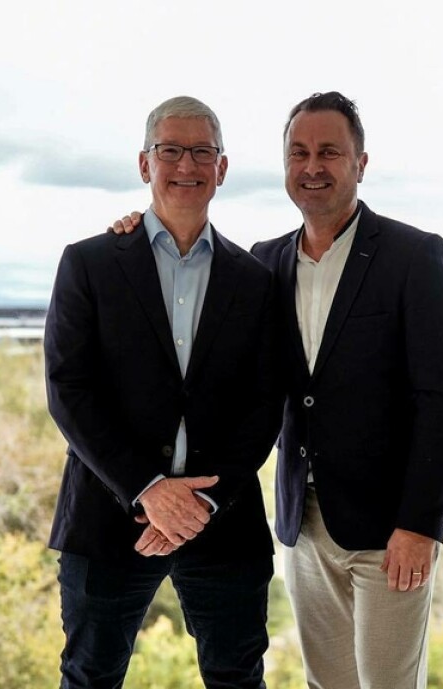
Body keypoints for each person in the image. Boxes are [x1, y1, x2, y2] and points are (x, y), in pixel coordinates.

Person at [112, 91, 443, 689]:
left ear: (361, 162)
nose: (312, 166)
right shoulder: (263, 263)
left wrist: (421, 524)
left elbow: (442, 400)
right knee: (325, 682)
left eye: (329, 152)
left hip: (390, 529)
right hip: (303, 523)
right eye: (298, 152)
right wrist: (131, 229)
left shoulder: (415, 256)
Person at [45, 95, 283, 689]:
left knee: (237, 677)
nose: (186, 164)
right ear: (145, 163)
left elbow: (264, 404)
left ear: (221, 168)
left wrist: (200, 502)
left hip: (222, 518)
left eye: (202, 151)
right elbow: (69, 390)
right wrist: (147, 490)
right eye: (170, 150)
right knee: (89, 677)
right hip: (106, 514)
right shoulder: (88, 263)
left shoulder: (255, 281)